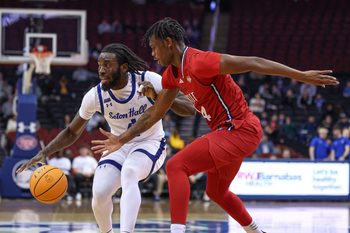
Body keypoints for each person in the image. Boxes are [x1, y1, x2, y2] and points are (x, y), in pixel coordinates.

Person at [90, 18, 339, 233]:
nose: (152, 54)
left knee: (177, 165)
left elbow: (252, 61)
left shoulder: (200, 62)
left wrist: (300, 75)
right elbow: (156, 114)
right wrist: (121, 139)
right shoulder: (171, 75)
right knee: (216, 192)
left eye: (154, 47)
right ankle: (254, 230)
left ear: (168, 42)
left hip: (240, 129)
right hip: (227, 133)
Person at [16, 43, 195, 233]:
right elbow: (71, 132)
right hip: (118, 146)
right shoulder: (95, 96)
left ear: (124, 67)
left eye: (107, 65)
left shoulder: (149, 79)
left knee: (130, 171)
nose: (101, 70)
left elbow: (190, 108)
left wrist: (160, 97)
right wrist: (43, 153)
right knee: (99, 194)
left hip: (150, 143)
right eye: (100, 65)